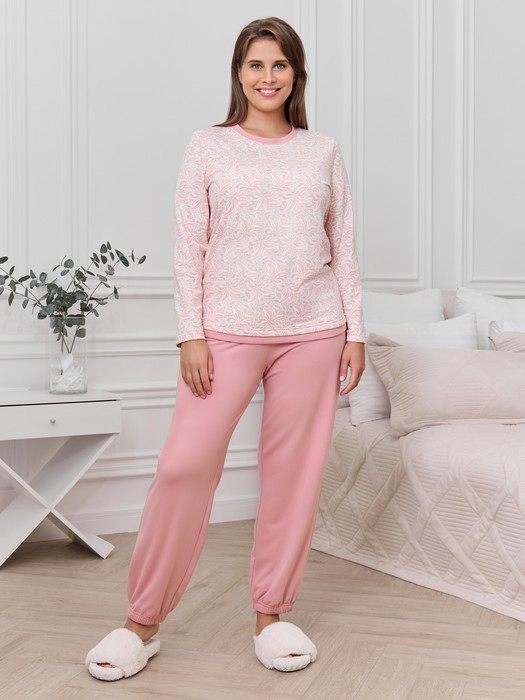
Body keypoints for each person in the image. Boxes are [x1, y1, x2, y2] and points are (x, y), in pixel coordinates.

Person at [85, 16, 365, 681]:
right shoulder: (208, 146)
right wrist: (191, 333)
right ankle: (141, 622)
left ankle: (272, 614)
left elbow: (344, 245)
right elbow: (189, 247)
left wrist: (354, 331)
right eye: (255, 64)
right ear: (238, 74)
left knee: (292, 477)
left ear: (296, 74)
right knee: (183, 466)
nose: (267, 77)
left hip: (313, 330)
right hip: (225, 331)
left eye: (279, 65)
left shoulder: (321, 150)